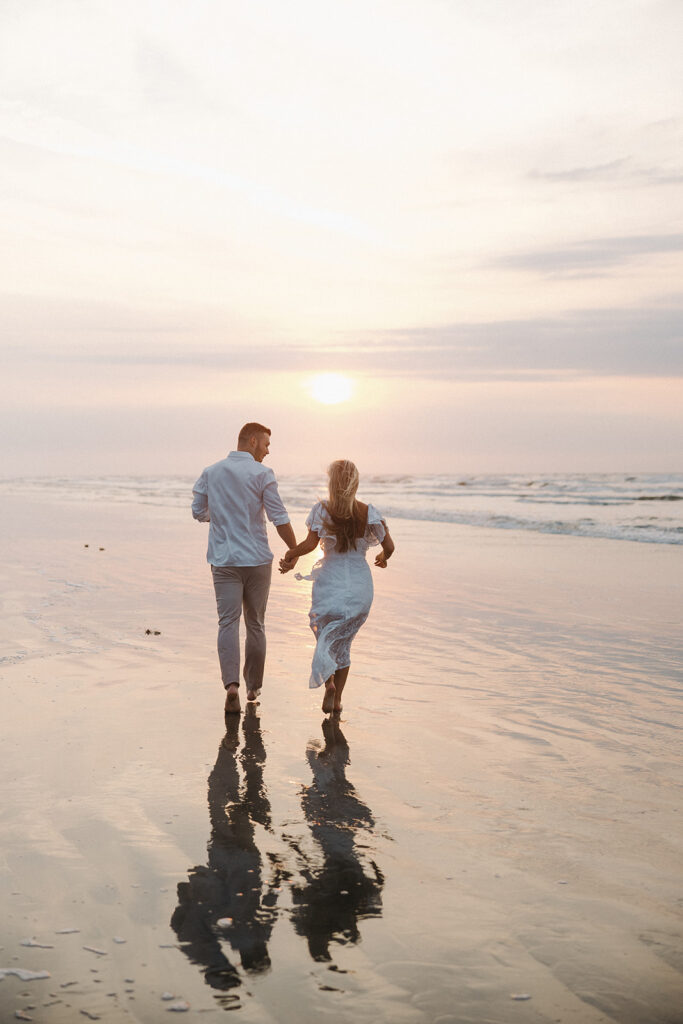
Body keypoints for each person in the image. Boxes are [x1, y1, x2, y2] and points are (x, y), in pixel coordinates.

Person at [192, 423, 297, 714]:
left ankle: (232, 687)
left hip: (224, 560)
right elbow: (279, 517)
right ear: (252, 441)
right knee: (256, 624)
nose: (267, 451)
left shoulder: (211, 472)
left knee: (228, 622)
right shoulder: (263, 474)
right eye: (265, 444)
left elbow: (198, 511)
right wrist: (294, 549)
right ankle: (253, 687)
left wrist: (223, 515)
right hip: (257, 560)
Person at [279, 459, 394, 713]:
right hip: (359, 585)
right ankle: (338, 697)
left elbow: (309, 546)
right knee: (344, 642)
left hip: (330, 580)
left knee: (324, 631)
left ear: (331, 483)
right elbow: (390, 547)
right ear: (355, 483)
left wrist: (290, 555)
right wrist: (383, 559)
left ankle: (329, 683)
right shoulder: (369, 512)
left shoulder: (322, 510)